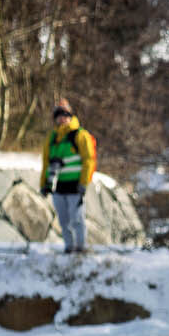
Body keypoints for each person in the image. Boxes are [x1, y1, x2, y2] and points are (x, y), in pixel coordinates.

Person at [39, 99, 98, 253]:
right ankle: (69, 248)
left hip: (75, 185)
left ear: (70, 116)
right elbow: (46, 163)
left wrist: (84, 183)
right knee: (63, 221)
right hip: (58, 186)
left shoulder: (80, 135)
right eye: (59, 115)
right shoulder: (52, 138)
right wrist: (44, 184)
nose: (62, 118)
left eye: (65, 115)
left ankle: (81, 248)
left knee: (77, 219)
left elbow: (89, 160)